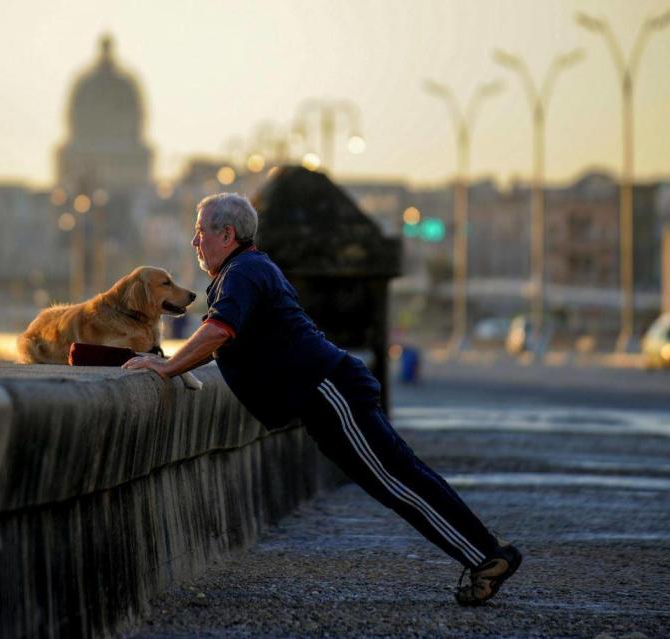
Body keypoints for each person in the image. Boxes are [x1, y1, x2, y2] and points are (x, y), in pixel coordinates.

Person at [123, 193, 521, 606]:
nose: (195, 242)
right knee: (400, 476)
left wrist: (167, 368)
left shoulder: (243, 271)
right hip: (327, 393)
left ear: (227, 234)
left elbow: (219, 330)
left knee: (399, 481)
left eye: (200, 231)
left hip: (330, 392)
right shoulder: (247, 268)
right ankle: (485, 552)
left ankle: (488, 556)